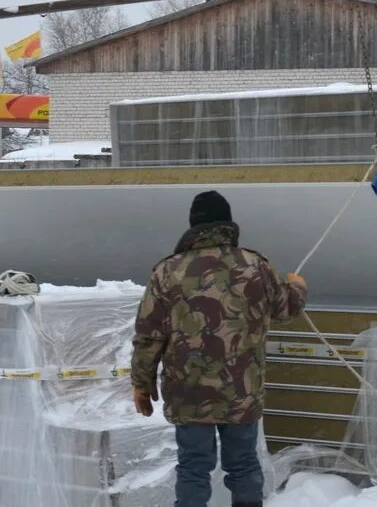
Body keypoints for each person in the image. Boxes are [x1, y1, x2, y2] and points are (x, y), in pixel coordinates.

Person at [131, 190, 308, 507]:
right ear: (228, 224)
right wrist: (298, 285)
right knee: (243, 466)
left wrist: (141, 384)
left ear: (193, 226)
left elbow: (148, 335)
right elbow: (287, 309)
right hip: (241, 390)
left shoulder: (167, 272)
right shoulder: (255, 266)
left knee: (193, 468)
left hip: (189, 394)